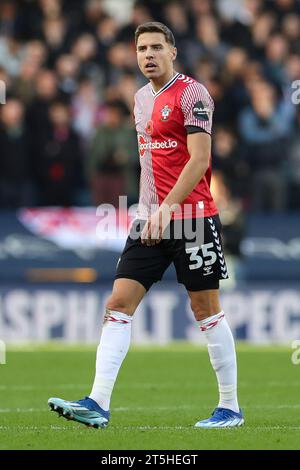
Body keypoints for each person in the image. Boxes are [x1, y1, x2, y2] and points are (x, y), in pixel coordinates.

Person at [48, 21, 244, 429]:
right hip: (148, 220)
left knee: (206, 309)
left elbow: (199, 160)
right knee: (118, 303)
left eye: (156, 47)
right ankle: (97, 402)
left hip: (191, 219)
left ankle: (230, 407)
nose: (148, 55)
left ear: (173, 51)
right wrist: (149, 210)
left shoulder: (193, 94)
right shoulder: (138, 98)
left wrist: (166, 208)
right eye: (141, 49)